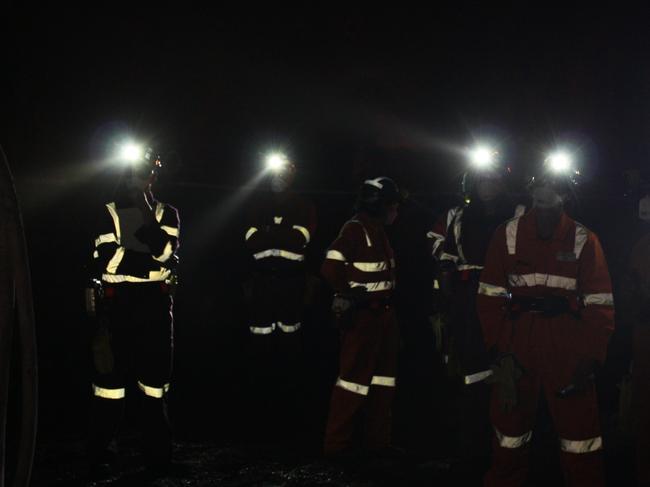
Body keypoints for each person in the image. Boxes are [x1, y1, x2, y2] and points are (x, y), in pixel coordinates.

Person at [477, 155, 614, 486]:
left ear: (565, 195)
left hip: (567, 341)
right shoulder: (508, 233)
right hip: (517, 339)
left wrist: (591, 358)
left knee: (579, 432)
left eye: (552, 188)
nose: (544, 192)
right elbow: (490, 294)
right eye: (539, 186)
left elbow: (600, 303)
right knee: (510, 428)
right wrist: (497, 349)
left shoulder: (584, 239)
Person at [87, 145, 180, 476]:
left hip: (155, 308)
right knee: (109, 385)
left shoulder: (167, 213)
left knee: (154, 387)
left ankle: (157, 458)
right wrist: (153, 260)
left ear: (153, 175)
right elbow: (108, 262)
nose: (139, 179)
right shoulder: (108, 211)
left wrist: (141, 214)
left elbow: (166, 255)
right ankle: (102, 456)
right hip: (118, 306)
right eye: (134, 172)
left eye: (145, 173)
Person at [435, 148, 525, 477]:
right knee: (473, 376)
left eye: (493, 179)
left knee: (507, 374)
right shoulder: (459, 216)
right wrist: (446, 304)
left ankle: (508, 450)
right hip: (468, 301)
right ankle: (472, 451)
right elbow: (446, 261)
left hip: (508, 301)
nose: (487, 185)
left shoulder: (518, 213)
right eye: (482, 179)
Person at [322, 177, 401, 458]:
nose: (396, 211)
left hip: (384, 317)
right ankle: (336, 446)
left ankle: (378, 443)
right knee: (352, 383)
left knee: (383, 382)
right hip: (364, 318)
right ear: (382, 206)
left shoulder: (378, 230)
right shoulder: (356, 229)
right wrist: (347, 294)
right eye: (393, 206)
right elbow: (331, 266)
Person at [242, 153, 317, 442]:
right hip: (262, 285)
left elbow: (302, 239)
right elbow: (250, 240)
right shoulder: (256, 204)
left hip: (290, 286)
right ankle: (259, 401)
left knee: (290, 343)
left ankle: (289, 402)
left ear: (293, 174)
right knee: (258, 342)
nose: (278, 177)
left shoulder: (304, 204)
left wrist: (269, 233)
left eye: (284, 171)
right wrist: (281, 234)